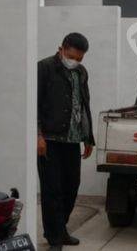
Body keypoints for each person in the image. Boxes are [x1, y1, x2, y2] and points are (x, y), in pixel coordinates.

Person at [37, 33, 95, 250]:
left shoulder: (81, 73)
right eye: (71, 56)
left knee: (71, 186)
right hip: (49, 139)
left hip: (72, 140)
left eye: (79, 58)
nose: (75, 61)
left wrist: (88, 137)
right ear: (61, 49)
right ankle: (54, 238)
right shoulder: (44, 68)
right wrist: (38, 135)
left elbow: (84, 104)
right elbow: (35, 103)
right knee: (52, 190)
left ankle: (61, 229)